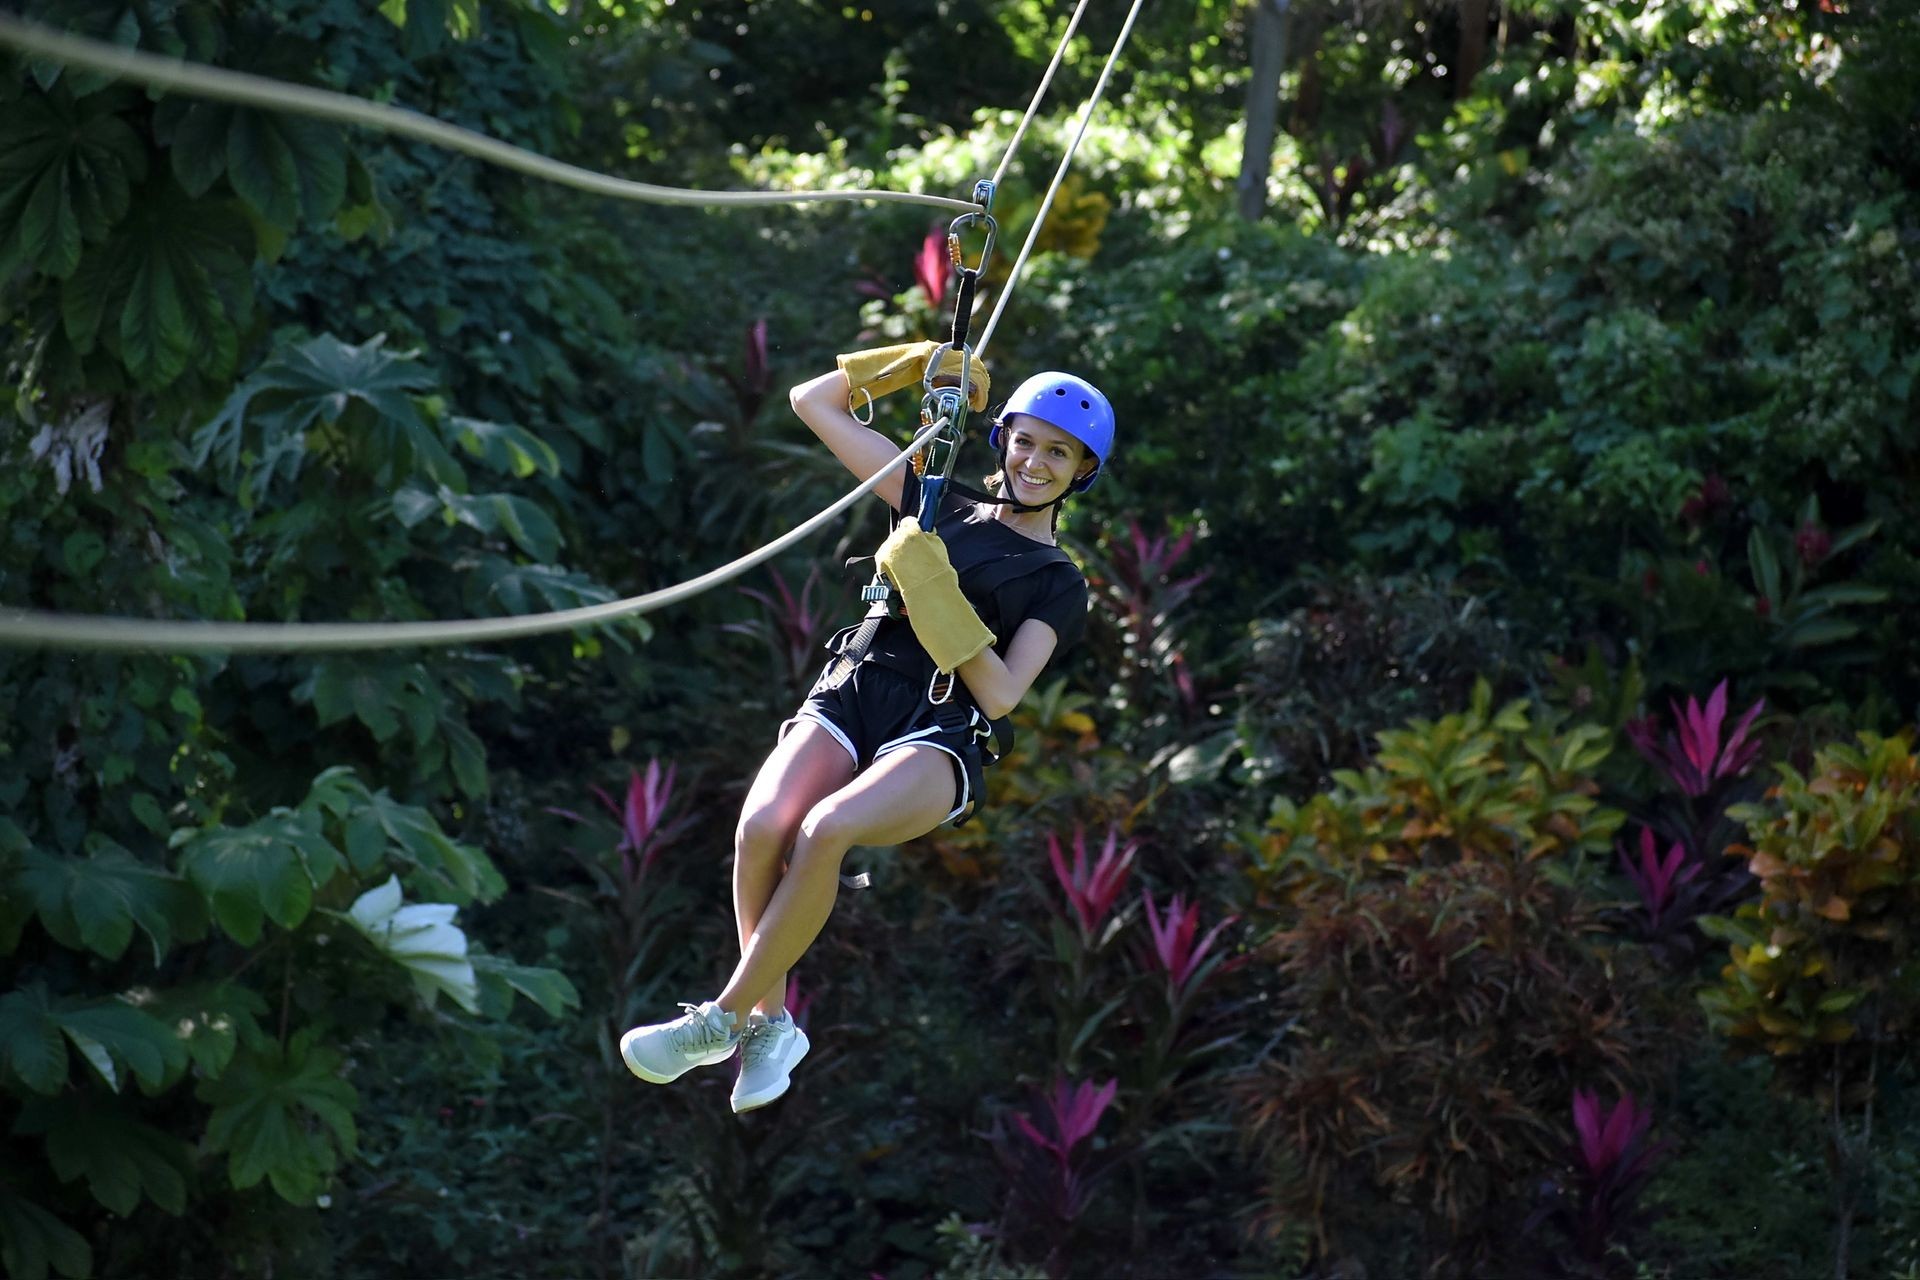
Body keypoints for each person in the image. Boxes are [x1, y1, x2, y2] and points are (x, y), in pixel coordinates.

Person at [617, 340, 1115, 1112]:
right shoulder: (936, 499)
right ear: (1002, 439)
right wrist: (912, 362)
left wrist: (937, 596)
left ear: (1082, 471)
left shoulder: (1058, 581)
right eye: (1025, 441)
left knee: (824, 829)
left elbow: (1007, 692)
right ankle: (771, 1024)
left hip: (942, 727)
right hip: (859, 686)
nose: (1036, 462)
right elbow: (812, 405)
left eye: (1058, 453)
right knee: (762, 827)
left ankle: (718, 1020)